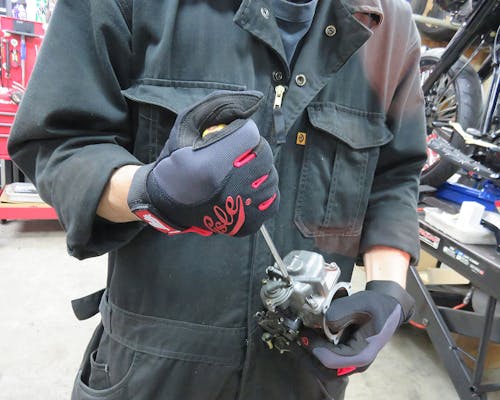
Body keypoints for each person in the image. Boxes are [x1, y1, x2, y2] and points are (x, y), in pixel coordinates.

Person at [8, 0, 427, 399]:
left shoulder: (388, 28)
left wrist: (388, 289)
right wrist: (150, 191)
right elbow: (60, 143)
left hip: (302, 380)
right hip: (151, 376)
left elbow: (395, 176)